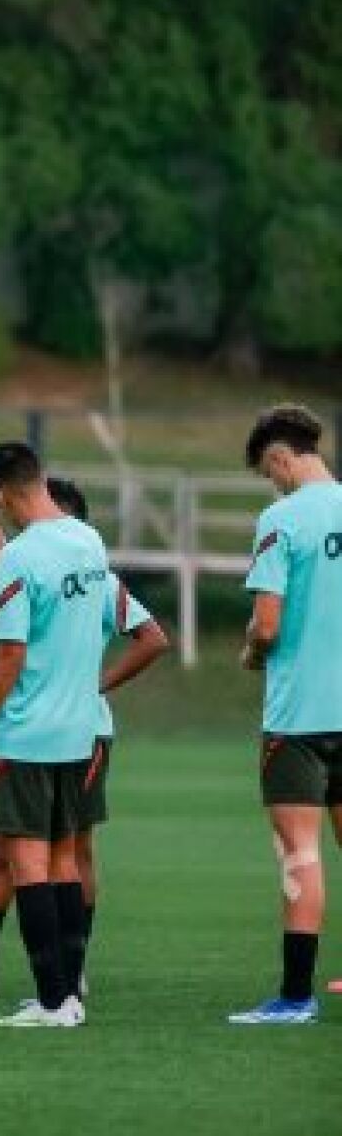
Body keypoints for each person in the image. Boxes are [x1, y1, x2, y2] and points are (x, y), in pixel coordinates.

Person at [0, 477, 169, 1000]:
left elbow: (151, 639)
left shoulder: (95, 574)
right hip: (51, 727)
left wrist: (94, 684)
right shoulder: (46, 560)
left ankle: (67, 978)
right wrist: (1, 560)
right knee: (3, 848)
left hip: (71, 730)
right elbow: (40, 604)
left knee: (67, 853)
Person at [0, 441, 110, 1029]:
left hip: (27, 732)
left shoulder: (22, 557)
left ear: (0, 493)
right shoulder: (89, 541)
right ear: (42, 478)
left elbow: (12, 652)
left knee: (28, 864)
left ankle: (52, 1004)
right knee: (65, 860)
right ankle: (70, 993)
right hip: (79, 730)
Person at [229, 405, 342, 1025]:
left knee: (301, 851)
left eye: (269, 472)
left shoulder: (280, 520)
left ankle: (296, 998)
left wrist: (249, 649)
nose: (272, 483)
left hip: (300, 716)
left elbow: (267, 626)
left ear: (279, 456)